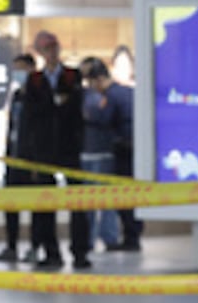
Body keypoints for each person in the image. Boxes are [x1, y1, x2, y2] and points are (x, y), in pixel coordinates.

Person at [18, 30, 91, 270]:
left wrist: (61, 106)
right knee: (44, 203)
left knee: (77, 203)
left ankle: (80, 251)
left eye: (54, 47)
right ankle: (50, 251)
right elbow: (29, 117)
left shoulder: (72, 75)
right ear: (40, 52)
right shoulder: (35, 80)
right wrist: (29, 155)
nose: (52, 52)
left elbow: (76, 107)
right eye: (46, 48)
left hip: (69, 147)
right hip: (43, 150)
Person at [85, 58, 142, 251]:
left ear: (99, 79)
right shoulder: (128, 91)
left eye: (92, 83)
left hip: (123, 149)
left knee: (124, 197)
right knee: (132, 196)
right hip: (135, 149)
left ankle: (130, 239)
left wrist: (90, 115)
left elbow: (105, 118)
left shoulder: (111, 96)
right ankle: (132, 237)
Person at [0, 53, 39, 263]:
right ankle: (11, 246)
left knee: (37, 206)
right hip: (13, 157)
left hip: (32, 160)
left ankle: (36, 247)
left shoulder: (39, 95)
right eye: (15, 69)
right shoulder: (17, 95)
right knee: (11, 203)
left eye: (21, 69)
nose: (18, 74)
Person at [79, 57, 121, 252]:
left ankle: (108, 237)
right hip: (87, 152)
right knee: (88, 201)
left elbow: (102, 116)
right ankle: (88, 238)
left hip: (103, 152)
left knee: (107, 200)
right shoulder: (84, 96)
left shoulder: (109, 97)